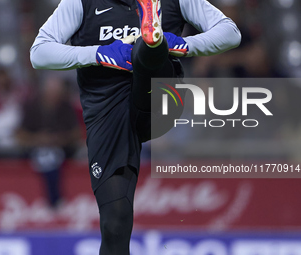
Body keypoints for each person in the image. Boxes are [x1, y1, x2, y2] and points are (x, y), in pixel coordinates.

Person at [30, 0, 241, 254]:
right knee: (115, 222)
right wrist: (98, 54)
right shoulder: (81, 2)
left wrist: (185, 45)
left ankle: (152, 43)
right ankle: (152, 41)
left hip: (159, 99)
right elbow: (39, 53)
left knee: (146, 48)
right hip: (107, 114)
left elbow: (230, 32)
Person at [16, 76, 81, 208]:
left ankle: (54, 200)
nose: (53, 97)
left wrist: (59, 139)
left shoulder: (66, 107)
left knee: (52, 158)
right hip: (35, 149)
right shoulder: (32, 106)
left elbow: (76, 133)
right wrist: (38, 139)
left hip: (63, 149)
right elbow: (20, 134)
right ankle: (52, 200)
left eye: (56, 93)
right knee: (46, 158)